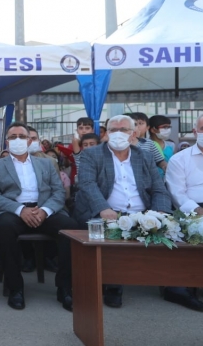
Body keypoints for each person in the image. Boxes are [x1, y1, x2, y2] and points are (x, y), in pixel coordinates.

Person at [75, 115, 180, 310]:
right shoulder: (92, 154)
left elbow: (159, 188)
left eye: (123, 130)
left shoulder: (144, 156)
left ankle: (174, 286)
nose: (118, 134)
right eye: (113, 130)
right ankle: (113, 285)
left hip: (142, 212)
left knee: (172, 228)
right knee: (109, 231)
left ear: (133, 134)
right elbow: (87, 184)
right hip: (107, 211)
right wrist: (103, 208)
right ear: (106, 134)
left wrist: (161, 212)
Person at [0, 122, 78, 311]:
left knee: (70, 229)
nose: (17, 140)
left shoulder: (46, 163)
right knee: (4, 228)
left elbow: (58, 192)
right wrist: (20, 210)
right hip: (13, 211)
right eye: (13, 137)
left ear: (29, 140)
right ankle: (15, 288)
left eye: (22, 136)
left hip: (43, 209)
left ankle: (64, 287)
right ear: (7, 142)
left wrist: (45, 211)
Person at [166, 112, 203, 307]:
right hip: (195, 210)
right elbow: (178, 195)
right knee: (198, 232)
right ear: (195, 131)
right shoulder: (180, 159)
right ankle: (183, 289)